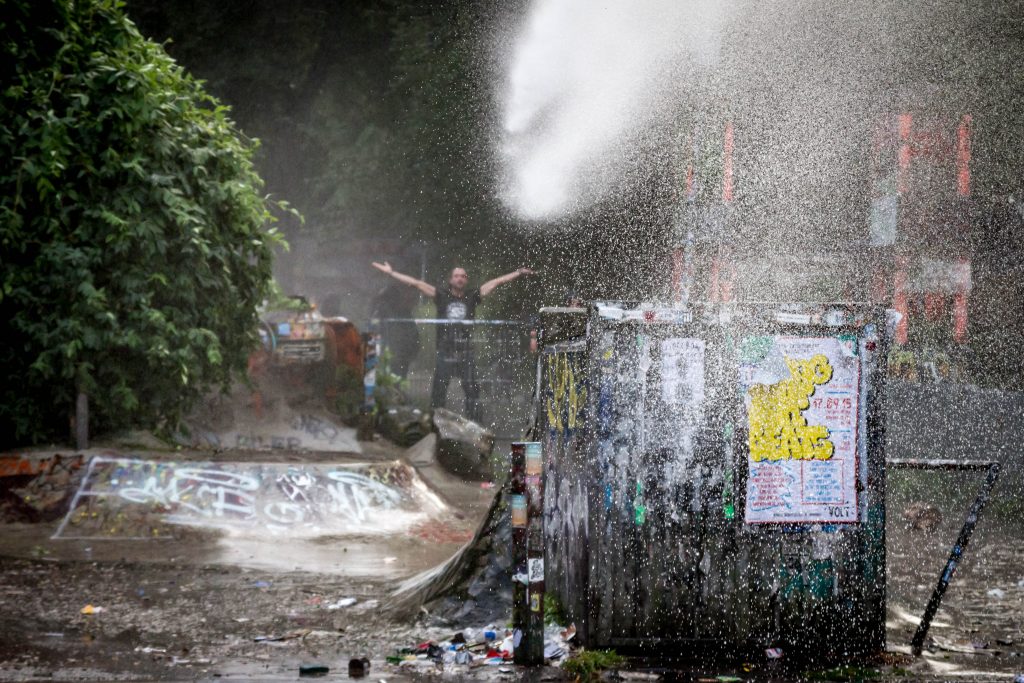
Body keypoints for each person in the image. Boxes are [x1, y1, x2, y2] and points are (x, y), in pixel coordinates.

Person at [371, 261, 533, 422]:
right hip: (445, 352)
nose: (460, 279)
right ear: (451, 280)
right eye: (456, 276)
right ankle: (434, 424)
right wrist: (391, 273)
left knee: (472, 392)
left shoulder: (472, 296)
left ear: (466, 280)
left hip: (465, 352)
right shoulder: (441, 295)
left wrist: (518, 272)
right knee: (439, 391)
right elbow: (416, 283)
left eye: (463, 276)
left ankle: (475, 426)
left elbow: (496, 282)